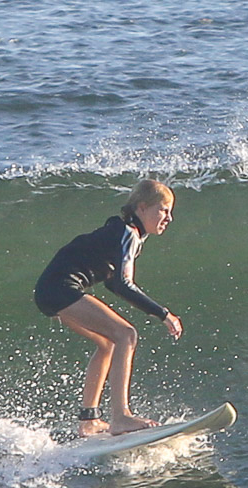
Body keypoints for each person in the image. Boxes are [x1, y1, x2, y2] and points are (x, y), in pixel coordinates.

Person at [34, 179, 183, 436]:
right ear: (142, 207)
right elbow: (124, 285)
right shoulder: (128, 234)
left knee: (108, 343)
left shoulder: (123, 233)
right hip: (61, 288)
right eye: (163, 209)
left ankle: (88, 420)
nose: (168, 217)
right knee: (126, 334)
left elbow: (114, 284)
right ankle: (121, 416)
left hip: (50, 289)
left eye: (170, 212)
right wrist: (163, 313)